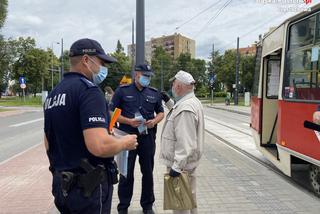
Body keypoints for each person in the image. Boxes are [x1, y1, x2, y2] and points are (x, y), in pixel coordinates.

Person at [44, 38, 138, 214]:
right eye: (102, 63)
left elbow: (48, 142)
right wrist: (125, 143)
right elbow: (99, 146)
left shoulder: (53, 95)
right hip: (88, 189)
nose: (104, 69)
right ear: (86, 60)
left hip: (62, 185)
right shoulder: (89, 91)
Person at [110, 63, 164, 214]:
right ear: (136, 75)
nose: (147, 78)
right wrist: (128, 121)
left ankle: (147, 205)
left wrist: (154, 121)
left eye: (149, 76)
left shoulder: (154, 93)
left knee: (148, 172)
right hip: (126, 137)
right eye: (145, 75)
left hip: (147, 138)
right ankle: (123, 207)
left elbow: (161, 112)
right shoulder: (122, 91)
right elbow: (111, 113)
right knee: (126, 173)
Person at [160, 70, 204, 214]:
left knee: (180, 206)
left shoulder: (185, 108)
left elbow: (185, 141)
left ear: (178, 86)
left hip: (181, 167)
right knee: (190, 201)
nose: (172, 88)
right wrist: (168, 101)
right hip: (187, 165)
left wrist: (177, 167)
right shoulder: (191, 102)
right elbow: (177, 111)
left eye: (173, 84)